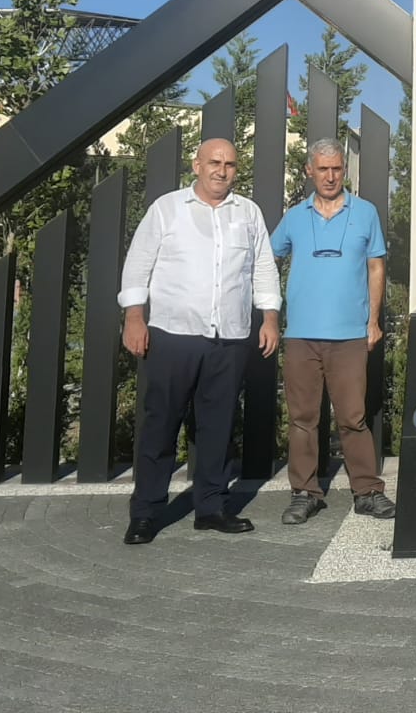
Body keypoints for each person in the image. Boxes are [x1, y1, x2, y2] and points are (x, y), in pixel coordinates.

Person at [118, 138, 280, 544]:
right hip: (173, 335)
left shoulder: (248, 213)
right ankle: (146, 513)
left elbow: (263, 269)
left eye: (229, 164)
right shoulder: (167, 209)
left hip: (229, 337)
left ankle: (210, 507)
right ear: (196, 165)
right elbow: (138, 265)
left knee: (218, 427)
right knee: (160, 426)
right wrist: (134, 317)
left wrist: (271, 318)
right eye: (214, 162)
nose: (221, 170)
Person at [269, 138, 396, 524]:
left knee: (353, 417)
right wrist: (270, 315)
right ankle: (305, 492)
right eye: (322, 169)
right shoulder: (293, 217)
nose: (329, 176)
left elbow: (377, 267)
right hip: (302, 336)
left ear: (345, 170)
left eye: (336, 169)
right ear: (309, 171)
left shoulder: (366, 213)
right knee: (303, 417)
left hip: (350, 336)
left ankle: (368, 491)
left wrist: (373, 321)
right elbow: (266, 261)